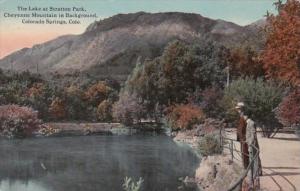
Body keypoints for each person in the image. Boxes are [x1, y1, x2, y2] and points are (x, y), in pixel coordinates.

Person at [235, 102, 249, 169]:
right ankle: (245, 166)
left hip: (244, 138)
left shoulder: (244, 117)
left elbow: (242, 129)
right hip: (242, 138)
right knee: (243, 153)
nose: (238, 110)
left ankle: (246, 167)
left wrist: (243, 138)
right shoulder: (241, 117)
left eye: (239, 109)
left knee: (245, 153)